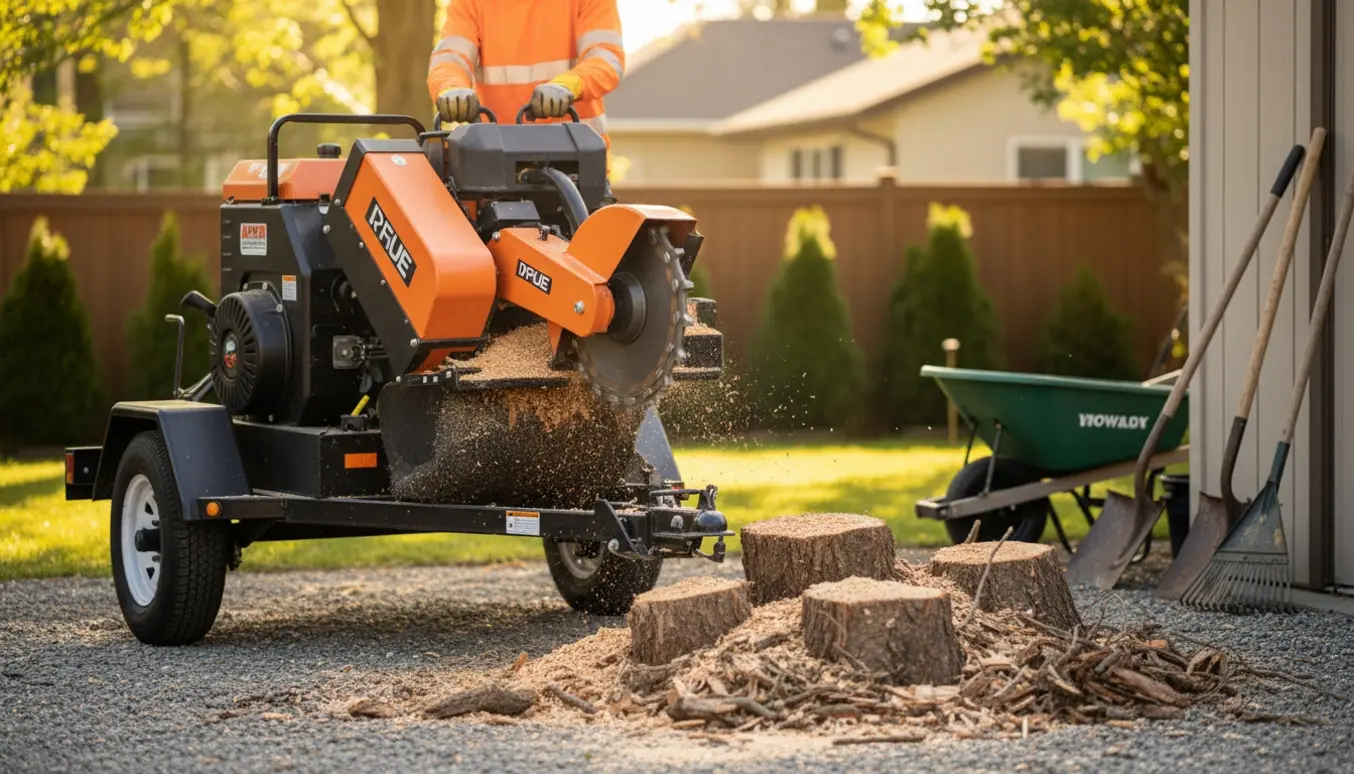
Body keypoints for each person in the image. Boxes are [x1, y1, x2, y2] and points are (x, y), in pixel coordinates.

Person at [427, 0, 625, 158]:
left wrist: (567, 86)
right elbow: (451, 58)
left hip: (577, 159)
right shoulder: (470, 3)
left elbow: (605, 59)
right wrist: (451, 88)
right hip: (497, 159)